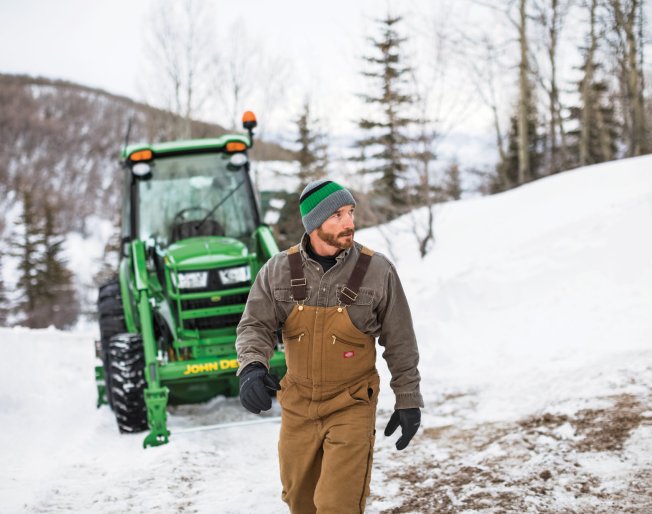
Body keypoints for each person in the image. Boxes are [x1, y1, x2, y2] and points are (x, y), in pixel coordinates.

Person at [236, 179, 423, 514]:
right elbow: (255, 325)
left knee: (337, 505)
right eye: (338, 214)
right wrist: (251, 367)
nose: (349, 222)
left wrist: (408, 399)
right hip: (298, 406)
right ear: (313, 223)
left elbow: (401, 340)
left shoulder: (376, 270)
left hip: (351, 404)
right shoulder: (279, 270)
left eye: (350, 212)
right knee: (300, 503)